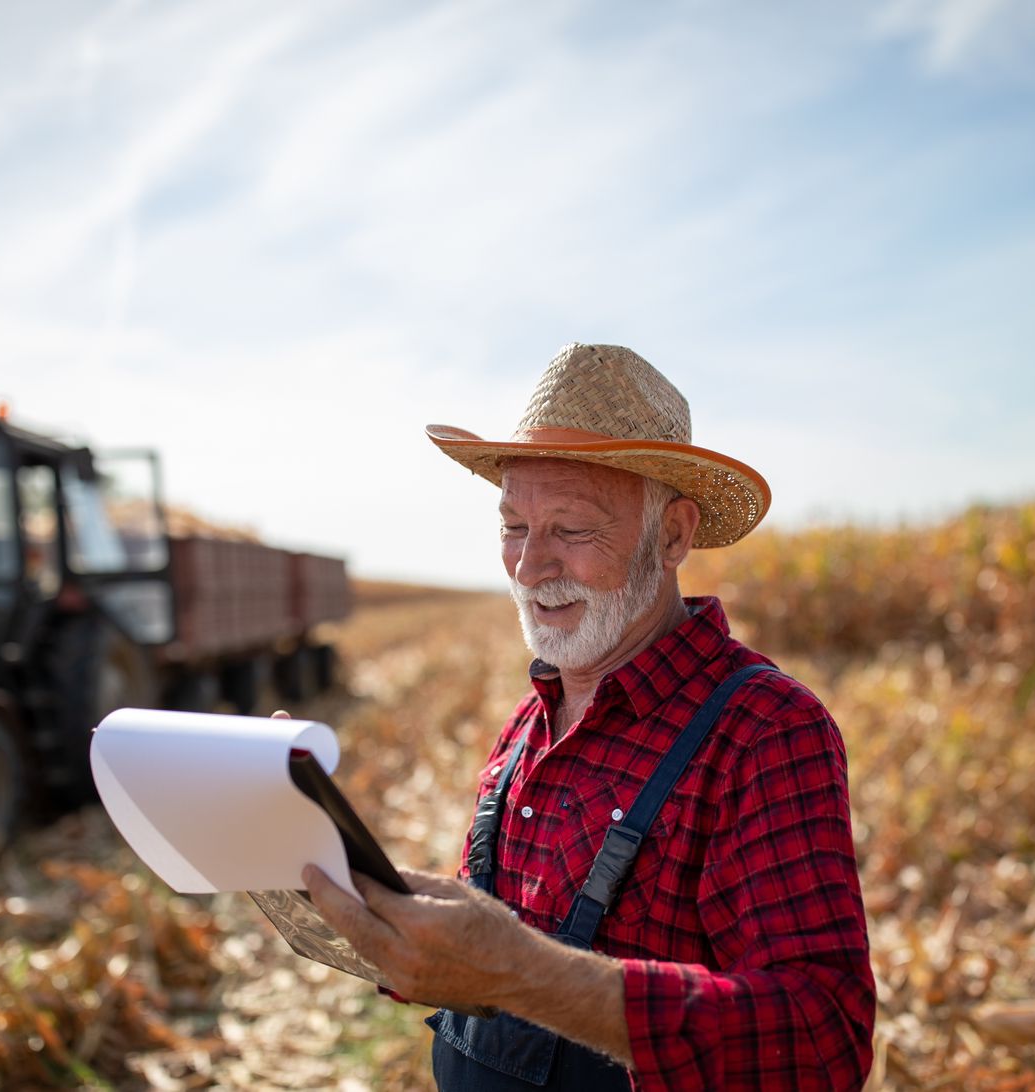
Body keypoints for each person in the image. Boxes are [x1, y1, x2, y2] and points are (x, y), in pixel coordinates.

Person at [303, 343, 875, 1089]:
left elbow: (821, 1037)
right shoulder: (526, 726)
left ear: (671, 536)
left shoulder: (764, 730)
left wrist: (526, 974)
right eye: (514, 527)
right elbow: (477, 963)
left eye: (570, 530)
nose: (530, 565)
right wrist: (357, 895)